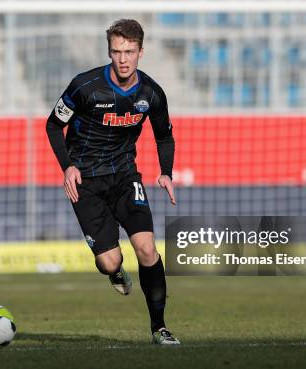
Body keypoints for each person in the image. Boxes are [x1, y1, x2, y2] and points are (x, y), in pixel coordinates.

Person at [46, 19, 179, 345]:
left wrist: (166, 172)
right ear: (109, 51)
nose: (123, 59)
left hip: (124, 177)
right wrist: (68, 167)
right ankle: (114, 272)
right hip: (86, 183)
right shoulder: (85, 86)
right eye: (117, 52)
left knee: (147, 248)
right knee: (110, 261)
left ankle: (159, 328)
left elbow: (164, 136)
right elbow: (52, 126)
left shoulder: (151, 92)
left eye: (129, 52)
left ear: (140, 52)